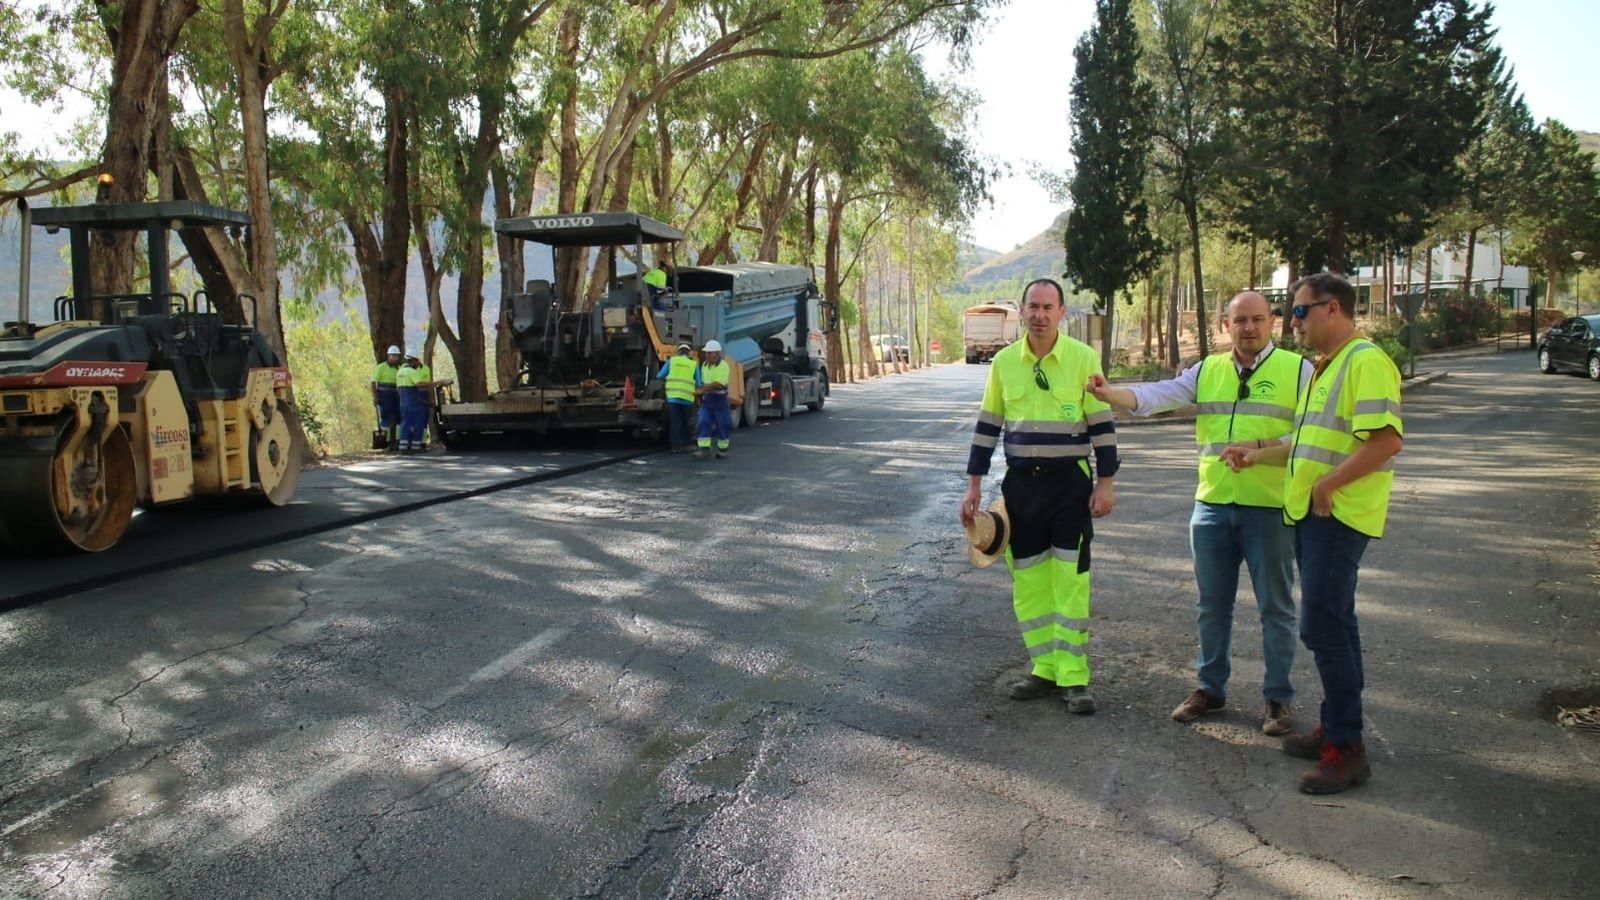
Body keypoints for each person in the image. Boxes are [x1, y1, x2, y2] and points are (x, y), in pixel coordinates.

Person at [1086, 291, 1312, 737]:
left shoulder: (1298, 370)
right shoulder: (1207, 370)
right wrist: (1111, 393)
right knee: (1212, 606)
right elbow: (1159, 394)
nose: (1249, 328)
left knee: (1277, 608)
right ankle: (1211, 689)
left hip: (1269, 508)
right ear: (1225, 325)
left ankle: (1278, 699)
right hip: (1212, 507)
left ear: (1272, 323)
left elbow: (1309, 431)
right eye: (1240, 320)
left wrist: (1260, 452)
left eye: (1258, 320)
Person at [1221, 272, 1402, 795]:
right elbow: (1305, 441)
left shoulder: (1365, 362)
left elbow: (1385, 441)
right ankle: (1336, 727)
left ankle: (1346, 749)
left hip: (1337, 516)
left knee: (1324, 628)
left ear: (1334, 309)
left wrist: (1328, 486)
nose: (1292, 321)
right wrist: (1256, 452)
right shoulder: (1328, 367)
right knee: (1333, 626)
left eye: (1300, 311)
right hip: (1315, 515)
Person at [959, 278, 1118, 715]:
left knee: (1070, 579)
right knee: (1029, 582)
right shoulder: (1005, 363)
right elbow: (988, 425)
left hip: (1070, 486)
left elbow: (1102, 427)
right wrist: (974, 484)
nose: (1040, 314)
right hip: (1021, 486)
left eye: (1049, 307)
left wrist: (1106, 482)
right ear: (1023, 310)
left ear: (1062, 312)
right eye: (1033, 306)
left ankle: (1074, 677)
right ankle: (1043, 668)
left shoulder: (1083, 358)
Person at [693, 340, 733, 459]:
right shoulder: (705, 365)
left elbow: (718, 383)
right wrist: (700, 394)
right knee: (703, 422)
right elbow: (704, 382)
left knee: (723, 424)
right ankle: (704, 450)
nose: (707, 355)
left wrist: (702, 390)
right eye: (706, 353)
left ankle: (723, 449)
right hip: (708, 400)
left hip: (720, 400)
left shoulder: (723, 366)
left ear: (717, 353)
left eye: (710, 353)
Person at [658, 342, 698, 452]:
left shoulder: (671, 361)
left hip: (673, 398)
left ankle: (675, 447)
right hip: (687, 399)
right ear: (689, 353)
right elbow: (699, 383)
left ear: (678, 352)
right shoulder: (693, 364)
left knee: (675, 422)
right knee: (686, 422)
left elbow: (660, 375)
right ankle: (686, 444)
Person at [394, 353, 437, 454]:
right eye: (417, 361)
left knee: (405, 423)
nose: (418, 364)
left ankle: (403, 447)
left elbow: (398, 389)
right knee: (419, 422)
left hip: (403, 402)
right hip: (413, 402)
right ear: (413, 361)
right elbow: (419, 384)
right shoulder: (412, 372)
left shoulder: (400, 372)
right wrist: (435, 383)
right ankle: (416, 446)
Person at [371, 345, 404, 450]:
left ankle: (394, 442)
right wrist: (375, 397)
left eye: (397, 356)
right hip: (384, 395)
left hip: (395, 395)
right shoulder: (381, 367)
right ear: (388, 356)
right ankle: (387, 442)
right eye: (393, 356)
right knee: (387, 418)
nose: (395, 358)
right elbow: (373, 383)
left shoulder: (398, 369)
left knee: (396, 418)